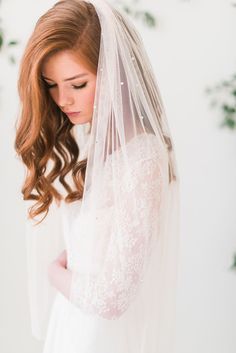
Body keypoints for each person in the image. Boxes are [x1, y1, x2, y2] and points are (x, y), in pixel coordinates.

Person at [14, 0, 180, 352]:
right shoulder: (96, 143)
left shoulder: (144, 156)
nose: (62, 99)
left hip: (99, 336)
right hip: (73, 320)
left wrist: (55, 273)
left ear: (114, 72)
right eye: (51, 85)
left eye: (77, 84)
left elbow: (113, 297)